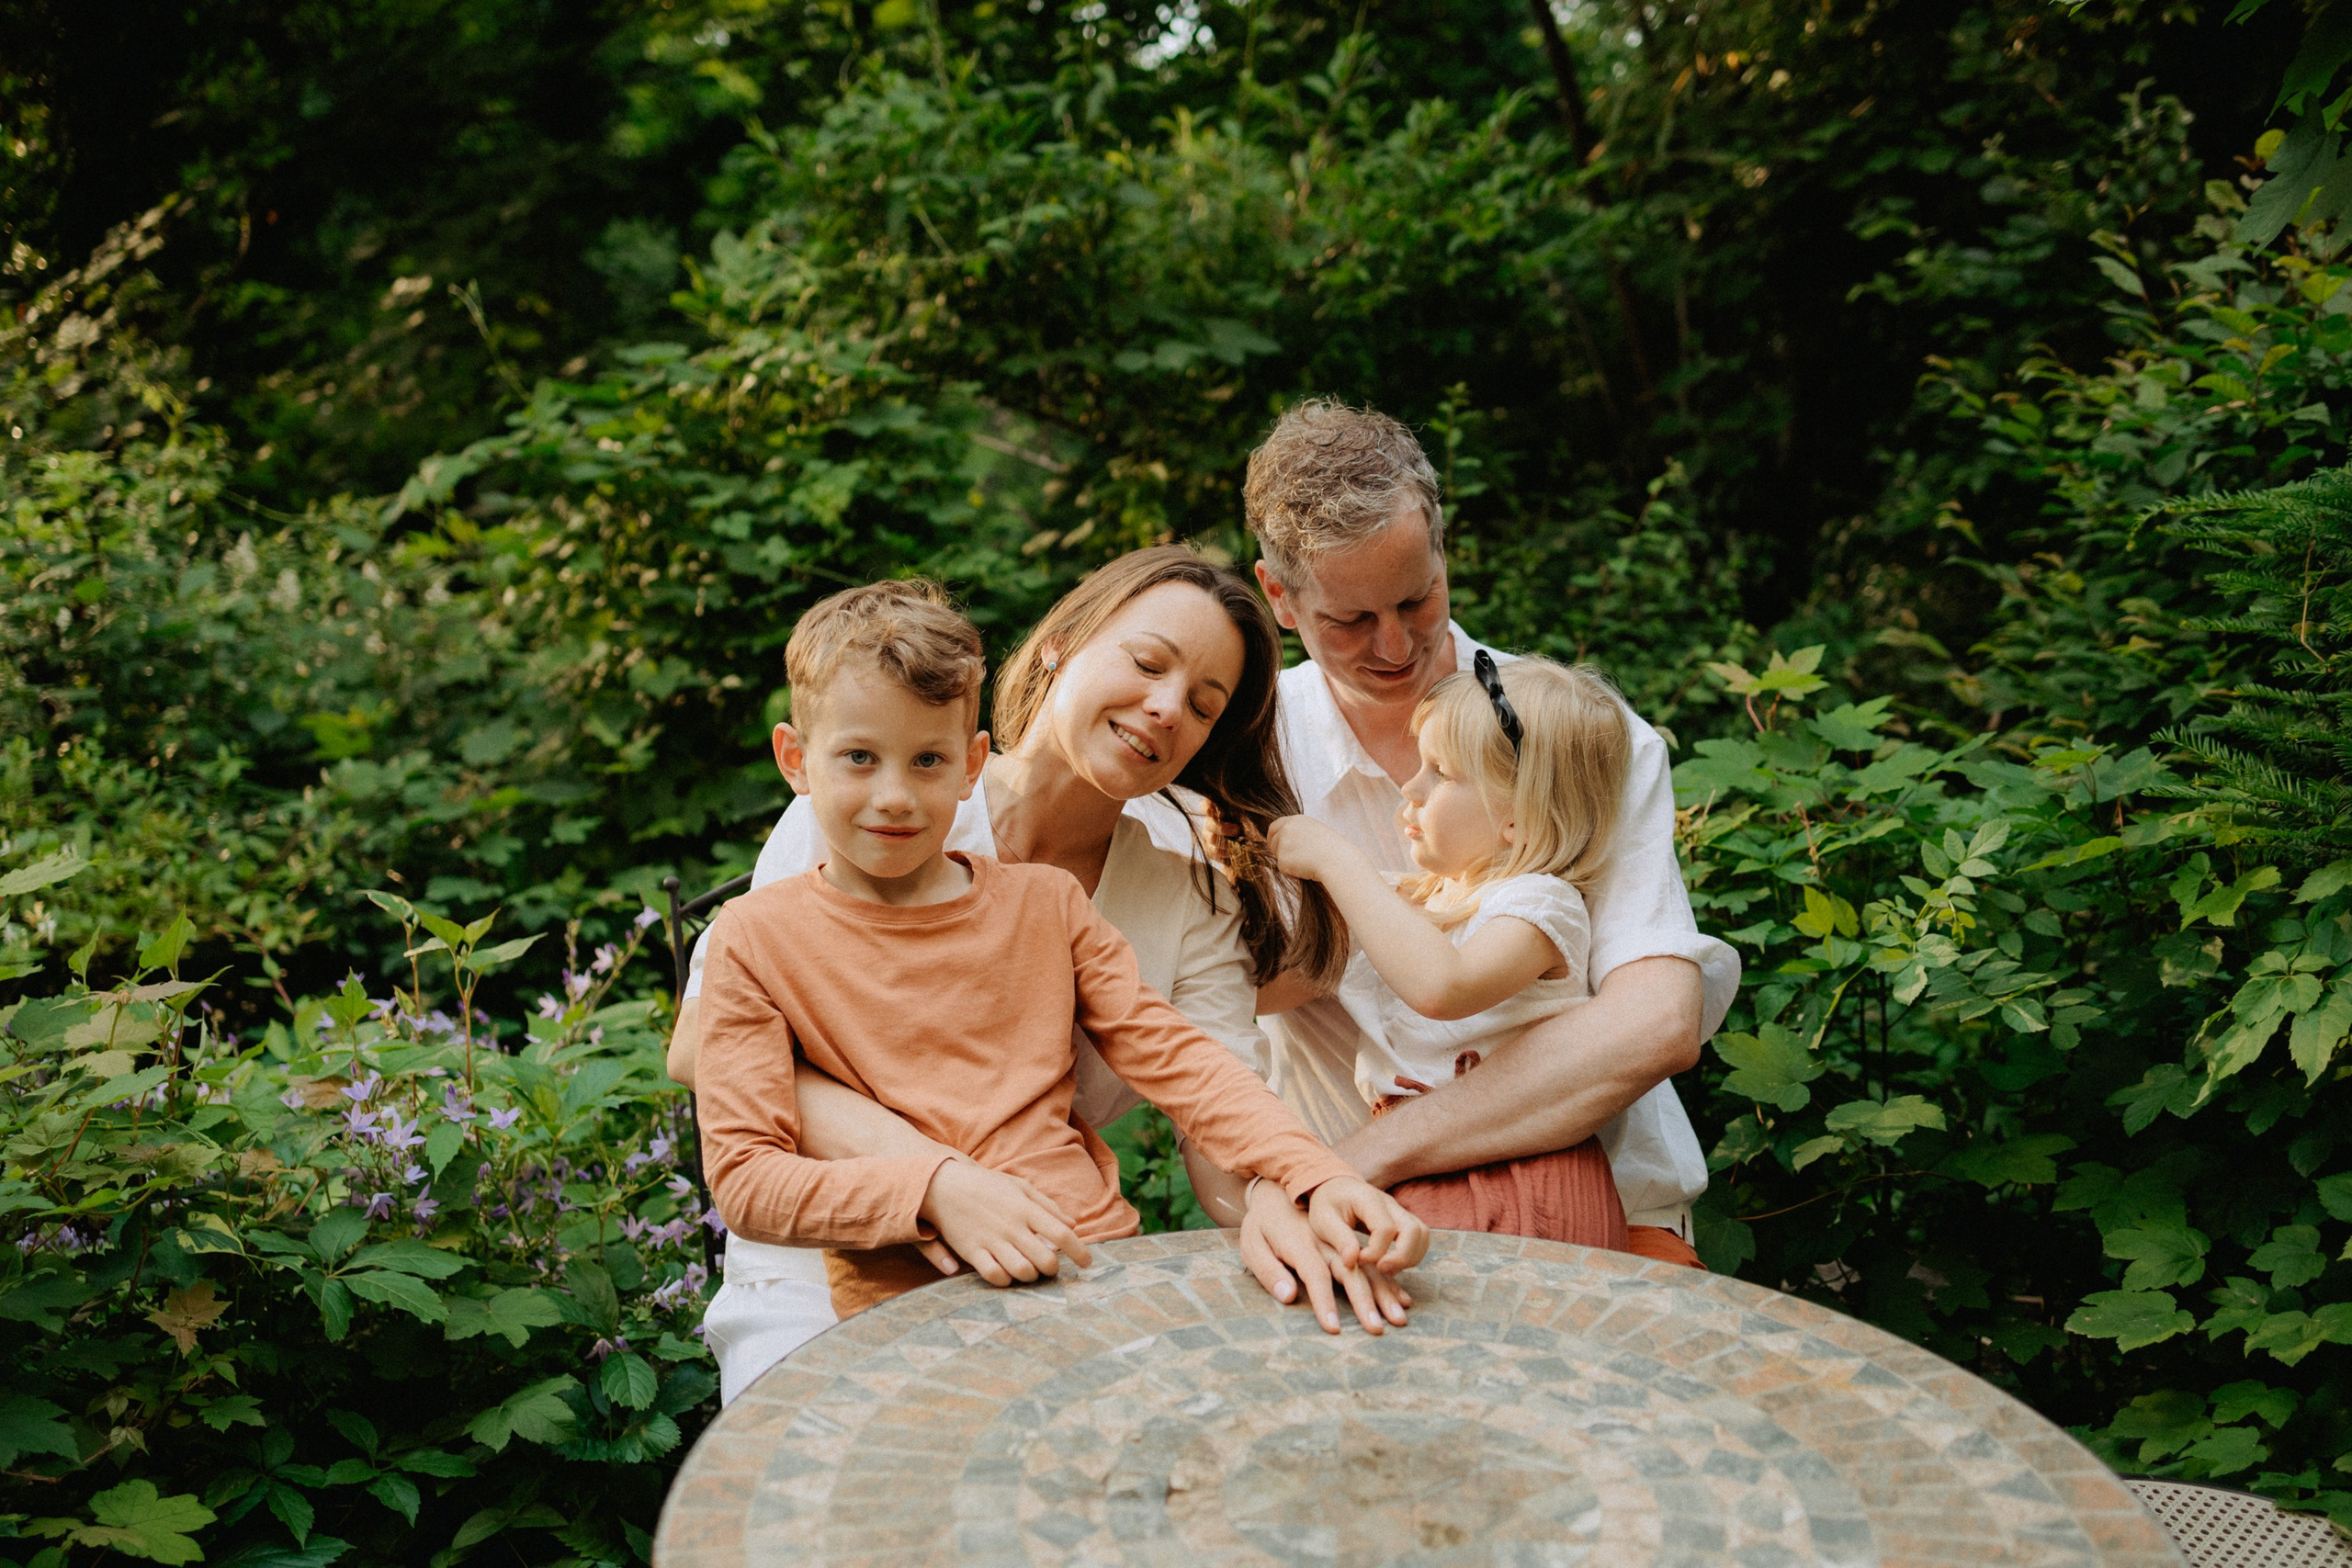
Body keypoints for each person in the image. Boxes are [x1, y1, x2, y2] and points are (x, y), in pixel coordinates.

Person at [670, 547, 1407, 1403]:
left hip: (1074, 1253)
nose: (1167, 706)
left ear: (969, 759)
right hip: (847, 1263)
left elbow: (1203, 1081)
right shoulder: (840, 830)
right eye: (1145, 661)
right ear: (1060, 642)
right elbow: (718, 1093)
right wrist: (937, 1182)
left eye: (1204, 704)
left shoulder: (1095, 901)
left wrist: (1299, 1183)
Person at [1242, 400, 1739, 1273]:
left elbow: (1656, 1022)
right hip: (1346, 1228)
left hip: (1604, 1205)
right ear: (1279, 597)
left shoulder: (1574, 739)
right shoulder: (1243, 755)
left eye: (1415, 596)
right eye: (1350, 621)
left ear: (1442, 549)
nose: (1395, 644)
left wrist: (1365, 1155)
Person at [1261, 653, 1636, 1249]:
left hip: (1518, 1176)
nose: (1410, 788)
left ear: (1517, 817)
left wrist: (1338, 860)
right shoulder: (1416, 905)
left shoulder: (1541, 905)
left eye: (1441, 772)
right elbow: (1266, 988)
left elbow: (1444, 986)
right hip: (1416, 1165)